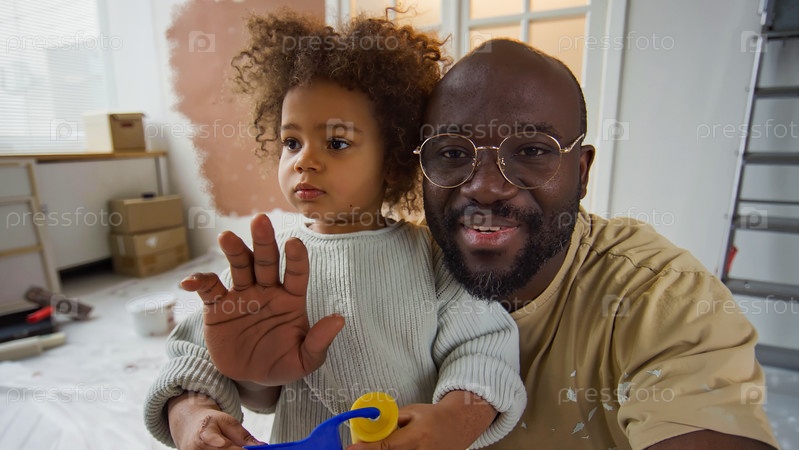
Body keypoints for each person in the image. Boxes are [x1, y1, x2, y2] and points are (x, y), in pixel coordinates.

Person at [149, 35, 780, 449]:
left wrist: (458, 416)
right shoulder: (280, 261)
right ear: (418, 164)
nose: (486, 186)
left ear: (583, 170)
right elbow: (207, 357)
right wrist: (217, 399)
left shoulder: (660, 299)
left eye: (532, 151)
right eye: (452, 152)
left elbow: (483, 352)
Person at [143, 13, 526, 450]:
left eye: (337, 142)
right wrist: (194, 415)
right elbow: (196, 355)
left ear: (394, 160)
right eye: (291, 142)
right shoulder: (265, 268)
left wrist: (454, 420)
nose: (304, 160)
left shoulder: (433, 258)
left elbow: (483, 347)